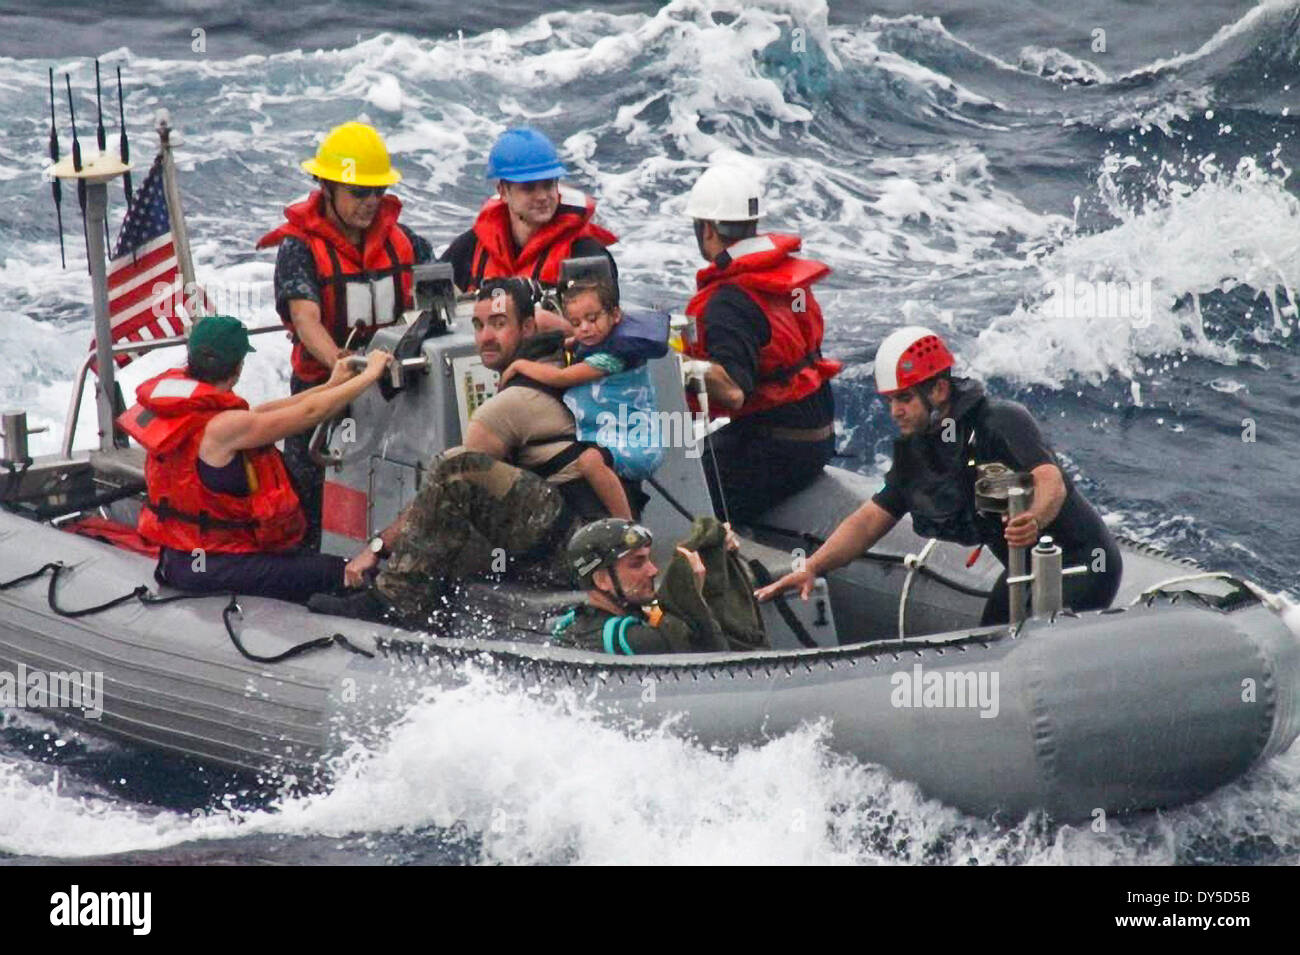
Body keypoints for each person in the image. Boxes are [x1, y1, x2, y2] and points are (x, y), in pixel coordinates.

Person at [308, 278, 633, 625]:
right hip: (600, 540)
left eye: (498, 324)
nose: (485, 338)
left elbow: (453, 479)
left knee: (455, 470)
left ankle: (397, 599)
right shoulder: (562, 361)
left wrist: (377, 547)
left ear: (527, 327)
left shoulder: (511, 404)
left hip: (578, 552)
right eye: (478, 325)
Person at [755, 326, 1122, 625]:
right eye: (890, 402)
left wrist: (1035, 518)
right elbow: (869, 521)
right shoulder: (918, 452)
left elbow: (1049, 480)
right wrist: (812, 567)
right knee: (988, 648)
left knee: (1027, 648)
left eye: (905, 399)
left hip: (1081, 563)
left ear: (939, 390)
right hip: (1020, 570)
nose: (895, 412)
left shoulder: (1000, 420)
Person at [116, 315, 392, 602]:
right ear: (237, 367)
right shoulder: (225, 427)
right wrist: (370, 374)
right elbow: (310, 413)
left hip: (184, 556)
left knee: (301, 562)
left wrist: (331, 385)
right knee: (338, 571)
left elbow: (265, 413)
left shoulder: (194, 413)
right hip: (214, 564)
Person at [256, 121, 433, 550]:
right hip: (324, 394)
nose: (370, 202)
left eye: (377, 192)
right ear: (327, 189)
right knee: (315, 498)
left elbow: (441, 298)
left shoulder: (406, 243)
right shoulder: (299, 248)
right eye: (359, 193)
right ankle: (314, 575)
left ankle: (379, 565)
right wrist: (344, 364)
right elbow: (305, 320)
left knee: (395, 483)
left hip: (394, 390)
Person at [681, 163, 841, 525]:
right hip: (819, 438)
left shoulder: (726, 301)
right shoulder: (777, 277)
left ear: (706, 229)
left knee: (680, 497)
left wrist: (680, 367)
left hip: (778, 448)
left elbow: (734, 391)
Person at [498, 268, 667, 481]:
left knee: (589, 463)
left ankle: (622, 516)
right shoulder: (596, 340)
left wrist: (519, 366)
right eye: (576, 323)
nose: (585, 328)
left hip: (636, 444)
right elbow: (572, 343)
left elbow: (563, 378)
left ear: (615, 315)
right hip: (609, 436)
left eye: (592, 318)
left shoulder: (610, 358)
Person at [439, 127, 617, 323]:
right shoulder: (469, 248)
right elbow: (432, 308)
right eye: (528, 188)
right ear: (503, 191)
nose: (542, 196)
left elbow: (601, 328)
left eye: (548, 185)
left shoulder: (585, 253)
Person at [551, 517, 767, 655]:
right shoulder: (629, 639)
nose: (653, 570)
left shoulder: (573, 621)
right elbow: (716, 659)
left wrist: (715, 550)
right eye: (637, 563)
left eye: (649, 559)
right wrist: (692, 593)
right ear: (602, 580)